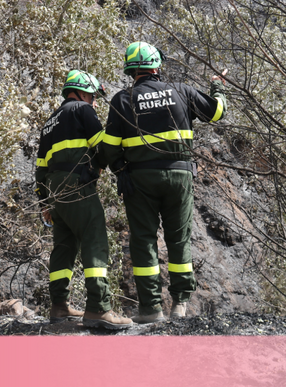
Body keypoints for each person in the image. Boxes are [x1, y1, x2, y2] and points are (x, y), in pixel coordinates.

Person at [101, 42, 227, 323]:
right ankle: (180, 304)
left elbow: (109, 148)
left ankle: (151, 309)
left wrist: (120, 167)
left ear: (130, 69)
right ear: (157, 66)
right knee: (178, 239)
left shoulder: (122, 99)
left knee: (144, 241)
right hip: (179, 177)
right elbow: (217, 112)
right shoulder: (182, 91)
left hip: (139, 180)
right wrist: (217, 85)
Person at [35, 69, 132, 330]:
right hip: (77, 184)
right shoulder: (82, 110)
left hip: (55, 190)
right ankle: (99, 309)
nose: (95, 102)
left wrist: (45, 203)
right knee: (94, 239)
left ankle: (59, 306)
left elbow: (40, 167)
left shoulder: (50, 121)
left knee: (64, 246)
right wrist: (99, 166)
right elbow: (104, 146)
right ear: (78, 92)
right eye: (92, 96)